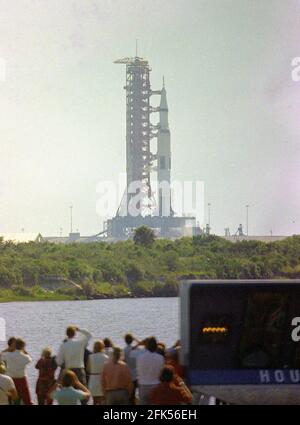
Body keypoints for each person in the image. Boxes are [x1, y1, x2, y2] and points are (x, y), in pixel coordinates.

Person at [56, 326, 91, 401]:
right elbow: (89, 335)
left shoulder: (63, 345)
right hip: (79, 370)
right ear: (75, 333)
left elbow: (58, 361)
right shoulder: (80, 343)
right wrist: (80, 329)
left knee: (68, 396)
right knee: (84, 396)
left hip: (68, 371)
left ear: (66, 334)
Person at [1, 338, 33, 405]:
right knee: (27, 399)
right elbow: (30, 358)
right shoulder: (24, 357)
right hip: (21, 379)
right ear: (22, 346)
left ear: (14, 345)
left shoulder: (7, 355)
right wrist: (24, 350)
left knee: (9, 398)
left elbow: (1, 354)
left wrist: (8, 349)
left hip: (10, 379)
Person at [136, 336, 164, 405]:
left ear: (147, 346)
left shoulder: (140, 357)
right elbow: (161, 373)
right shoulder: (160, 358)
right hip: (155, 385)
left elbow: (138, 371)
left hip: (143, 386)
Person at [87, 340, 108, 405]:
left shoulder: (91, 357)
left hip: (93, 379)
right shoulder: (106, 357)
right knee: (102, 401)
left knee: (94, 401)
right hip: (102, 380)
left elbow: (88, 369)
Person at [123, 333, 139, 404]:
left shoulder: (124, 350)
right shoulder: (135, 349)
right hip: (135, 374)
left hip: (127, 374)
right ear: (132, 340)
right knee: (134, 393)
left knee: (128, 394)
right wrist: (135, 339)